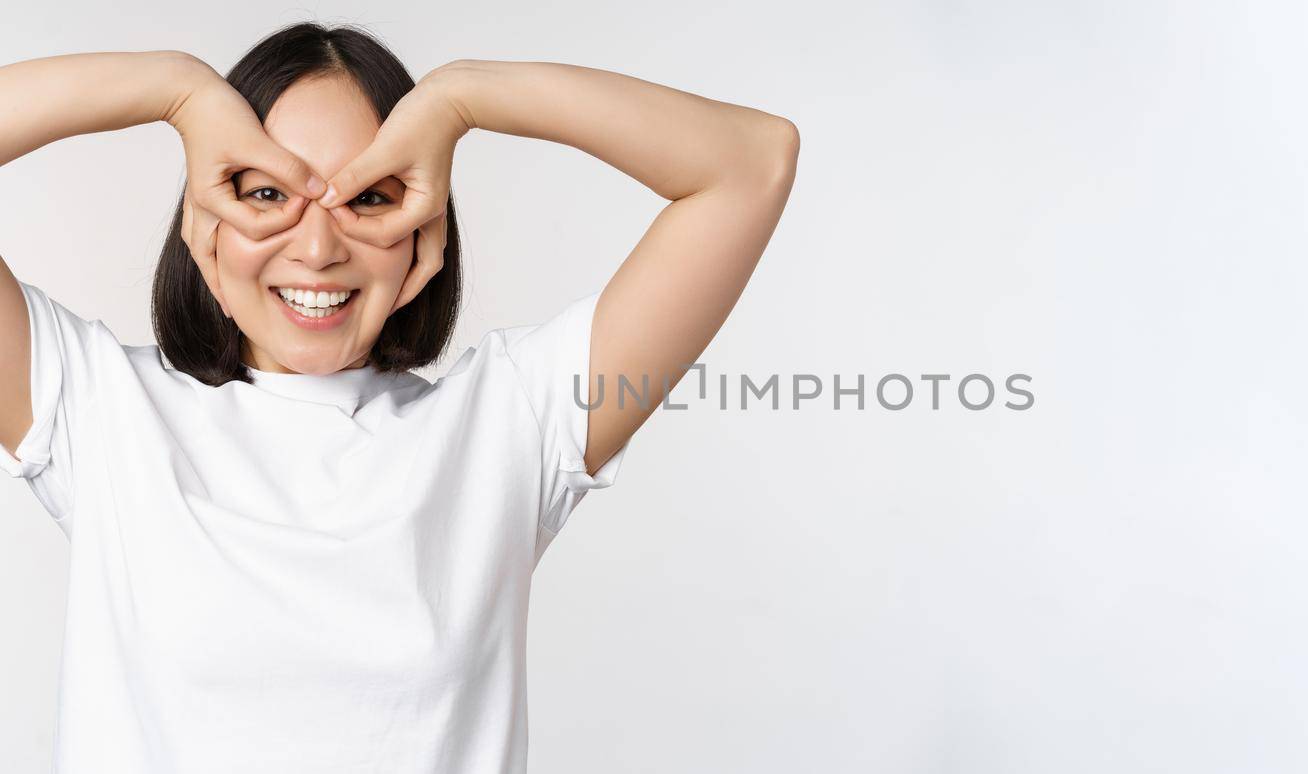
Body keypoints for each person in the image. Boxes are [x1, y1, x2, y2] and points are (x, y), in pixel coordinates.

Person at [0, 22, 798, 773]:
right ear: (204, 215)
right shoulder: (98, 413)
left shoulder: (511, 425)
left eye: (370, 197)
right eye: (267, 194)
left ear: (427, 223)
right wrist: (172, 90)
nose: (316, 248)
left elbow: (751, 163)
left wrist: (464, 99)